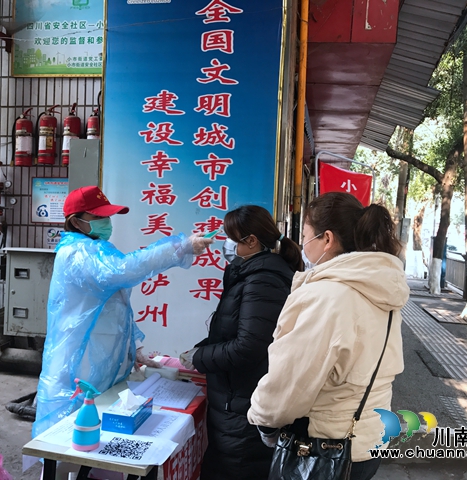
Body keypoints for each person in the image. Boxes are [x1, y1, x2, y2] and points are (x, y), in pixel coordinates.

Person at [247, 192, 410, 480]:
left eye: (306, 234)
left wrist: (265, 422)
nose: (302, 242)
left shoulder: (327, 295)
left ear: (327, 239)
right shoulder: (382, 288)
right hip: (370, 442)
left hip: (324, 450)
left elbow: (290, 381)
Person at [33, 185, 212, 437]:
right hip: (79, 366)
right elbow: (123, 271)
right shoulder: (77, 252)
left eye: (108, 216)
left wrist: (133, 350)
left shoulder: (96, 249)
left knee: (98, 441)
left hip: (99, 364)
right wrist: (179, 248)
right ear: (76, 221)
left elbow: (117, 309)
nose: (107, 222)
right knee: (68, 445)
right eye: (99, 217)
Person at [179, 205, 302, 480]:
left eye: (231, 237)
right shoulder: (249, 272)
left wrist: (200, 358)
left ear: (251, 241)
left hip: (242, 405)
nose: (226, 244)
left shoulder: (263, 280)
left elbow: (249, 346)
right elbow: (234, 331)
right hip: (233, 402)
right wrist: (200, 349)